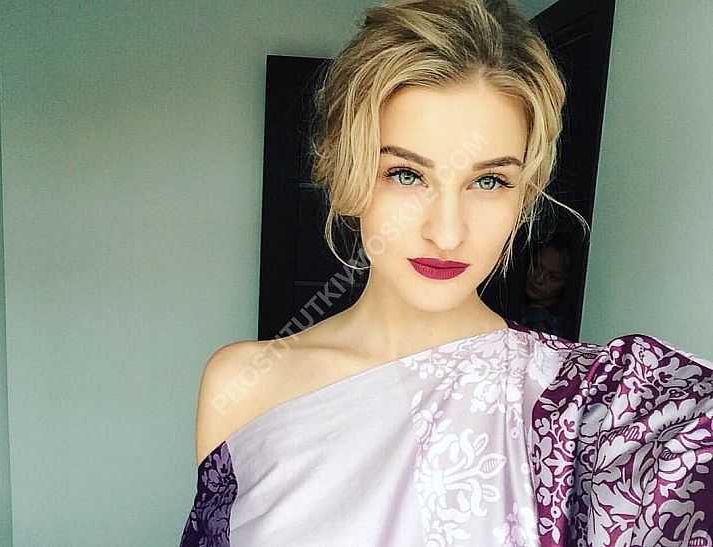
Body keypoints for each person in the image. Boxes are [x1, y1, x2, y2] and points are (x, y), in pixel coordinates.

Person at [179, 1, 713, 545]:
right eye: (406, 174)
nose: (448, 232)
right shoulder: (242, 384)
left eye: (488, 182)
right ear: (345, 172)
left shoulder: (582, 407)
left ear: (524, 194)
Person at [519, 235, 571, 336]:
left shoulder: (549, 328)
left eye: (553, 277)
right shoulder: (511, 303)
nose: (539, 279)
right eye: (536, 266)